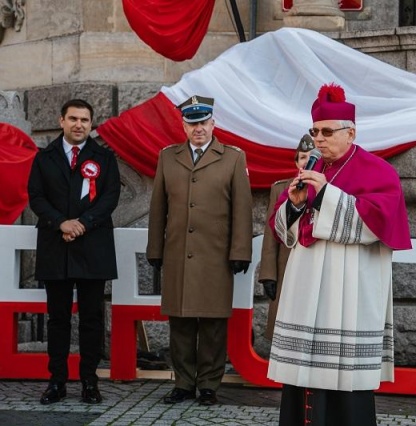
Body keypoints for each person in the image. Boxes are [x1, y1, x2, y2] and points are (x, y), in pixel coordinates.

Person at [267, 83, 412, 426]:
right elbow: (281, 229)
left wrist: (324, 196)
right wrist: (294, 205)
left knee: (346, 383)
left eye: (327, 131)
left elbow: (377, 222)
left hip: (349, 290)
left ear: (351, 133)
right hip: (306, 286)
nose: (318, 138)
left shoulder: (378, 171)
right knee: (301, 378)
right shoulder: (311, 172)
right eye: (315, 131)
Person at [146, 95, 253, 406]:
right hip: (178, 254)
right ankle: (183, 383)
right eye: (192, 123)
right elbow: (158, 209)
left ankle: (208, 384)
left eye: (204, 122)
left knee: (213, 324)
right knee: (179, 322)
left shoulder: (233, 158)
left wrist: (240, 251)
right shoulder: (168, 157)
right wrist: (156, 249)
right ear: (184, 125)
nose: (199, 129)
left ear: (213, 123)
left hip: (216, 256)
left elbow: (242, 210)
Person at [28, 99, 121, 405]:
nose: (79, 124)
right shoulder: (44, 158)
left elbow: (110, 197)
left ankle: (89, 382)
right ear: (61, 120)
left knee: (92, 319)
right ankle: (57, 381)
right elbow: (36, 198)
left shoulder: (104, 159)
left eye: (85, 119)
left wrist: (83, 223)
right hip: (57, 247)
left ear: (91, 124)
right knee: (58, 319)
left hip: (93, 247)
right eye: (73, 118)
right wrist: (61, 223)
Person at [258, 134, 314, 340]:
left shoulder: (329, 188)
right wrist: (268, 275)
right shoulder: (281, 188)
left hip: (315, 264)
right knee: (285, 326)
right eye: (302, 158)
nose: (306, 162)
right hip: (286, 265)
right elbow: (271, 236)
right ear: (296, 162)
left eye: (311, 157)